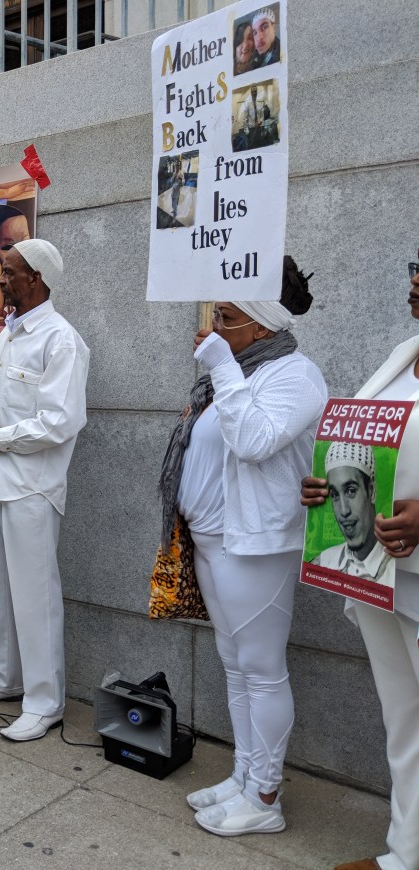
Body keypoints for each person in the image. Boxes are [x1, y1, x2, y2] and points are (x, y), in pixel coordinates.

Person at [161, 258, 326, 837]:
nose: (210, 327)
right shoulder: (234, 370)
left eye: (225, 317)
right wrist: (225, 369)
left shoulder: (294, 374)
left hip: (255, 546)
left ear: (259, 327)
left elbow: (254, 440)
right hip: (212, 542)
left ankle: (266, 794)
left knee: (261, 668)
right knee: (236, 668)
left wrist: (223, 368)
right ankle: (244, 775)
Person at [303, 249, 419, 870]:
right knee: (402, 719)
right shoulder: (402, 355)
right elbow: (362, 447)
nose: (415, 284)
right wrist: (323, 486)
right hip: (382, 572)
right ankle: (405, 853)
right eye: (413, 272)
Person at [0, 239, 90, 744]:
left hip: (32, 489)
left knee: (35, 596)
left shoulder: (61, 340)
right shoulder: (9, 335)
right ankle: (2, 678)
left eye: (8, 273)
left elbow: (60, 421)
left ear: (36, 278)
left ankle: (44, 701)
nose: (0, 282)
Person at [311, 442, 391, 583]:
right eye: (335, 495)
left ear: (371, 491)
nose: (343, 510)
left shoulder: (394, 570)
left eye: (351, 491)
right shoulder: (322, 563)